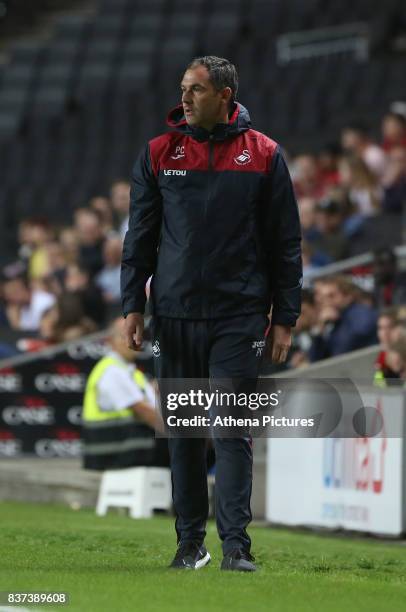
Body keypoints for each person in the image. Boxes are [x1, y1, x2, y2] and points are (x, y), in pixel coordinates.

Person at [121, 56, 302, 572]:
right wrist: (133, 303)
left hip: (239, 316)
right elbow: (140, 237)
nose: (184, 98)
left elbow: (286, 242)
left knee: (230, 430)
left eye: (195, 90)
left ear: (224, 94)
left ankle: (236, 548)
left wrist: (285, 316)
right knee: (184, 432)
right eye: (183, 88)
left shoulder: (265, 154)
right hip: (174, 314)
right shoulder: (159, 153)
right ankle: (188, 545)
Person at [82, 317, 167, 471]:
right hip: (119, 451)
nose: (134, 340)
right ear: (110, 341)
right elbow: (145, 413)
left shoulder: (129, 371)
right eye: (126, 335)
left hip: (128, 448)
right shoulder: (112, 371)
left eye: (136, 334)